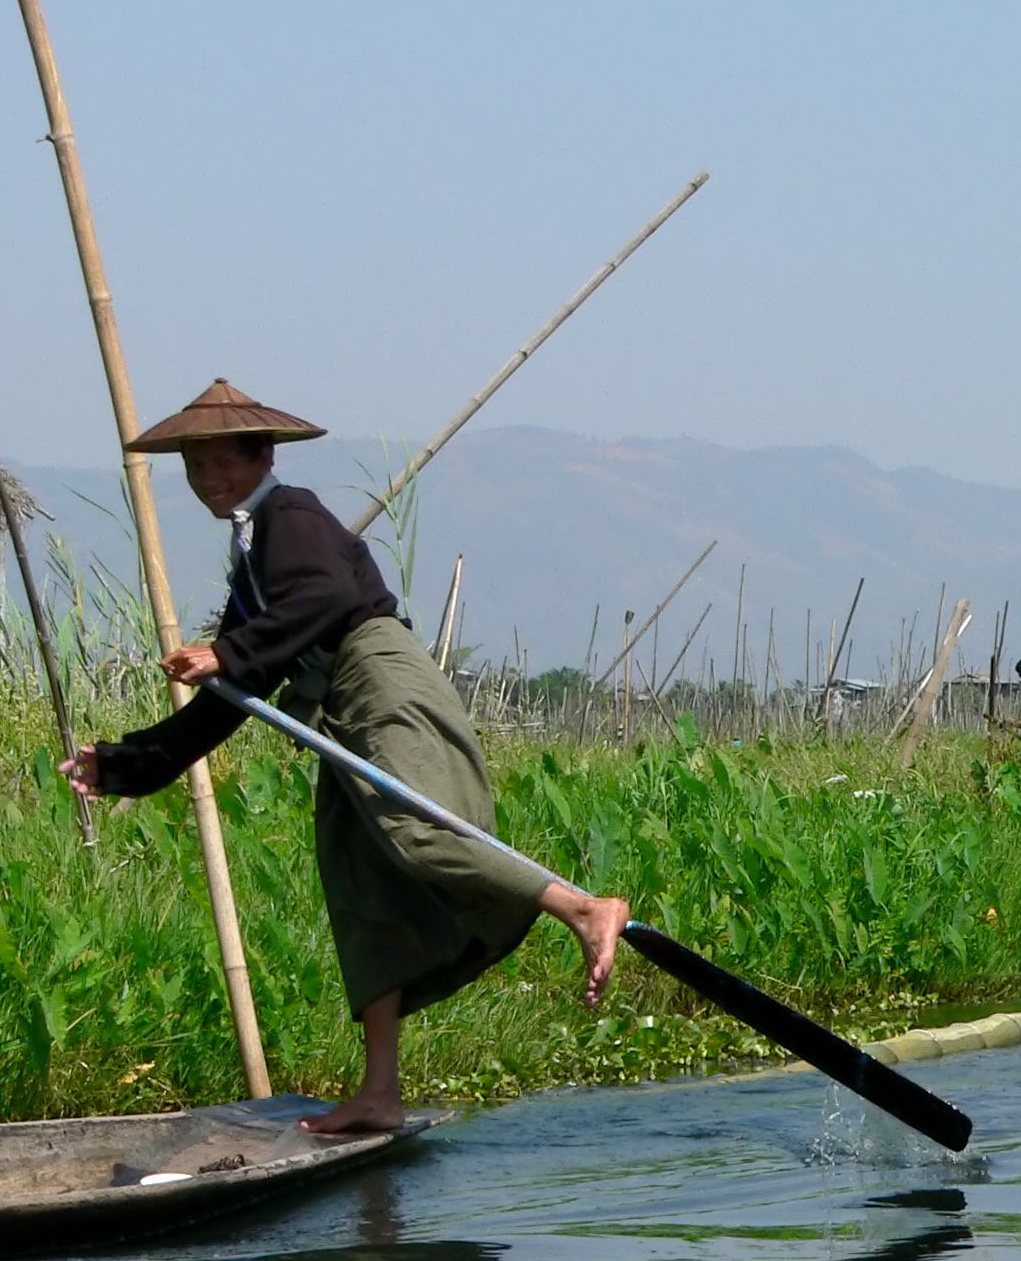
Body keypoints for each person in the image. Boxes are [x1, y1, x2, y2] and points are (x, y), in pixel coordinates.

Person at [61, 380, 627, 1132]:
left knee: (417, 829)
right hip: (343, 705)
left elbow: (323, 598)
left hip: (381, 681)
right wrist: (130, 762)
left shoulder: (289, 514)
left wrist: (226, 651)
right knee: (359, 879)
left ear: (262, 456)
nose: (209, 482)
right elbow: (241, 691)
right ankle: (380, 1092)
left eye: (223, 465)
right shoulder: (254, 550)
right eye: (195, 470)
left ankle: (580, 907)